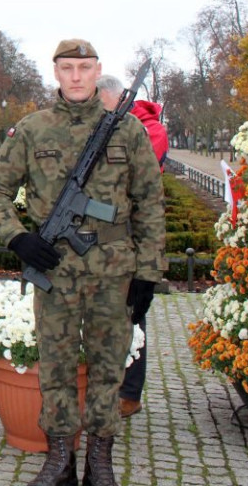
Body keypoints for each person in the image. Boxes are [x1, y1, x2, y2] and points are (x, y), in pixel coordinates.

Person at [0, 40, 166, 486]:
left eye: (84, 68)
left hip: (114, 272)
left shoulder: (127, 131)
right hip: (56, 271)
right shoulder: (33, 129)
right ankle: (59, 458)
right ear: (57, 73)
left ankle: (99, 461)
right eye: (68, 68)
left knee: (108, 367)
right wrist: (18, 237)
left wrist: (148, 272)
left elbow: (150, 202)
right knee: (56, 366)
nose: (77, 76)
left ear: (98, 70)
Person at [97, 74, 170, 420]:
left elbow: (136, 181)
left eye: (102, 105)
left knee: (133, 314)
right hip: (104, 236)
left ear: (116, 98)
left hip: (133, 232)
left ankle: (130, 393)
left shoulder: (148, 129)